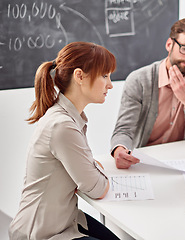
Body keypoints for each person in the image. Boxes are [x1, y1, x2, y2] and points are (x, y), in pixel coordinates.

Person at [9, 42, 120, 239]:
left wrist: (91, 170)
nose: (110, 84)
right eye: (104, 76)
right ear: (79, 76)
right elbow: (97, 188)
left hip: (65, 220)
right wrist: (94, 171)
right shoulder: (62, 125)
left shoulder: (71, 117)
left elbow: (88, 173)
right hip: (43, 233)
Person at [111, 17, 185, 169]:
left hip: (184, 159)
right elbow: (124, 130)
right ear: (169, 44)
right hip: (145, 159)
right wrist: (119, 149)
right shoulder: (139, 80)